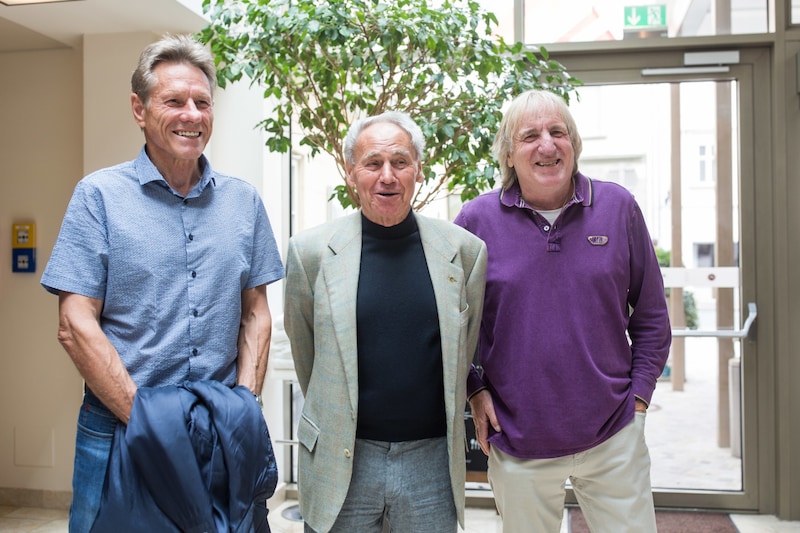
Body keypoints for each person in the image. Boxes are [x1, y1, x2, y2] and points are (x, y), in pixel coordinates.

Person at [40, 34, 284, 532]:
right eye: (174, 101)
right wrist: (148, 419)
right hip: (117, 426)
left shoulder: (244, 203)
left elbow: (256, 311)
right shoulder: (98, 198)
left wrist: (241, 405)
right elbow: (74, 322)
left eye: (201, 102)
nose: (191, 115)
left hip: (218, 428)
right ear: (139, 108)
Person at [454, 89, 671, 533]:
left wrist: (640, 402)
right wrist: (474, 391)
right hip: (517, 441)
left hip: (614, 436)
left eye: (558, 132)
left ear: (574, 144)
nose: (547, 145)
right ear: (509, 154)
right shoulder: (476, 222)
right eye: (530, 135)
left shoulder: (617, 208)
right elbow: (453, 325)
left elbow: (651, 317)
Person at [283, 110, 487, 533]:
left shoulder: (464, 252)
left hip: (431, 464)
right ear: (351, 172)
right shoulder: (310, 254)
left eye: (400, 162)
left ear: (419, 170)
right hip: (343, 459)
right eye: (373, 163)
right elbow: (310, 359)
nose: (387, 176)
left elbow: (462, 352)